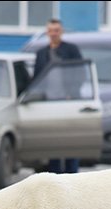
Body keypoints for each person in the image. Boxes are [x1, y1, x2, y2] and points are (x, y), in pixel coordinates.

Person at [34, 18, 83, 174]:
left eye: (57, 30)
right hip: (49, 104)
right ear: (47, 32)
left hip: (69, 102)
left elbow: (80, 73)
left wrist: (71, 93)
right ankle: (54, 175)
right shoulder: (42, 54)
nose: (54, 34)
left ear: (61, 32)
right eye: (51, 31)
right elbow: (37, 78)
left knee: (71, 142)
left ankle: (72, 175)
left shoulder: (71, 50)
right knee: (53, 143)